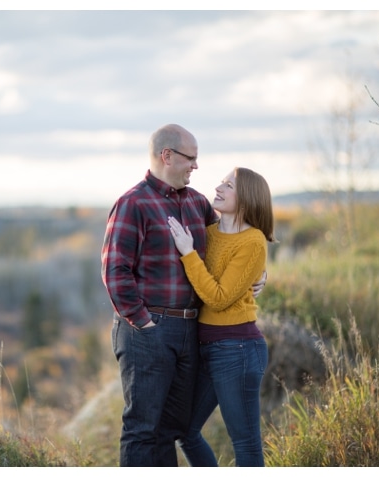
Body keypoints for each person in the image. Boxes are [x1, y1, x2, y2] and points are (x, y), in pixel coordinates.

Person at [101, 124, 217, 466]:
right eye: (190, 158)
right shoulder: (133, 203)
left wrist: (256, 275)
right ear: (167, 155)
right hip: (146, 330)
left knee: (172, 428)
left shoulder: (199, 204)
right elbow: (114, 270)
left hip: (189, 330)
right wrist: (143, 323)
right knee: (143, 429)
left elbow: (224, 254)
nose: (195, 166)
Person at [169, 167, 274, 467]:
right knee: (185, 431)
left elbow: (218, 298)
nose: (219, 187)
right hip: (206, 348)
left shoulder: (253, 241)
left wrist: (188, 253)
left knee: (246, 445)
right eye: (223, 182)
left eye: (229, 185)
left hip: (237, 350)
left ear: (247, 199)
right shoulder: (208, 234)